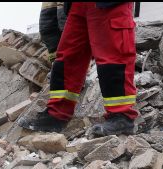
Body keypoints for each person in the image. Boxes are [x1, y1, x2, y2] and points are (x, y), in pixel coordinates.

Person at [18, 2, 138, 137]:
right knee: (68, 58)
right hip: (78, 5)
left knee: (113, 58)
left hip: (109, 5)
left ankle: (121, 116)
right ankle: (57, 115)